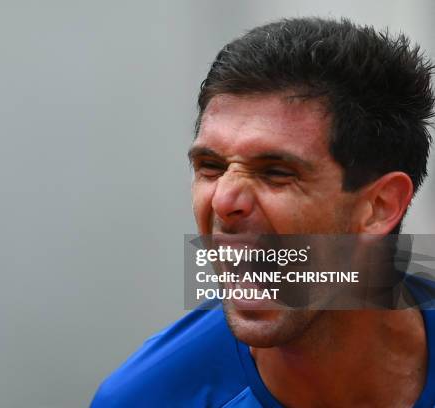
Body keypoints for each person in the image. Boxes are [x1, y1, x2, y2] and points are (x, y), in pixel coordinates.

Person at [91, 17, 435, 407]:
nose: (223, 200)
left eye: (276, 173)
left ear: (379, 206)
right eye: (210, 167)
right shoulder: (147, 398)